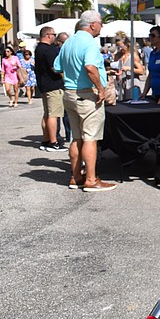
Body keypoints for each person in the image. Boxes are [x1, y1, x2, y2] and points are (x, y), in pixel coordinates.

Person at [54, 10, 115, 192]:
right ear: (93, 24)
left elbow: (57, 66)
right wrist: (100, 89)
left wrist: (72, 79)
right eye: (100, 23)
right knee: (90, 138)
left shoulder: (69, 41)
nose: (101, 27)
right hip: (86, 94)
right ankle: (90, 179)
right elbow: (90, 67)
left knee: (77, 137)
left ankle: (76, 176)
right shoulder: (89, 42)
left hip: (70, 92)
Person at [34, 26, 68, 152]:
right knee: (54, 115)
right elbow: (55, 68)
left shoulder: (38, 49)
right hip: (53, 86)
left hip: (43, 85)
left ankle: (46, 140)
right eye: (54, 34)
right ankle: (53, 142)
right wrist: (65, 78)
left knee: (47, 114)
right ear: (48, 35)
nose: (55, 37)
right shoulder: (49, 50)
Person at [55, 32, 72, 144]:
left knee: (67, 113)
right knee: (58, 113)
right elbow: (56, 68)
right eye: (64, 42)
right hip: (59, 86)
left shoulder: (68, 50)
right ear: (59, 42)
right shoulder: (57, 52)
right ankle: (57, 135)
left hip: (67, 86)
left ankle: (68, 134)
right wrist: (65, 79)